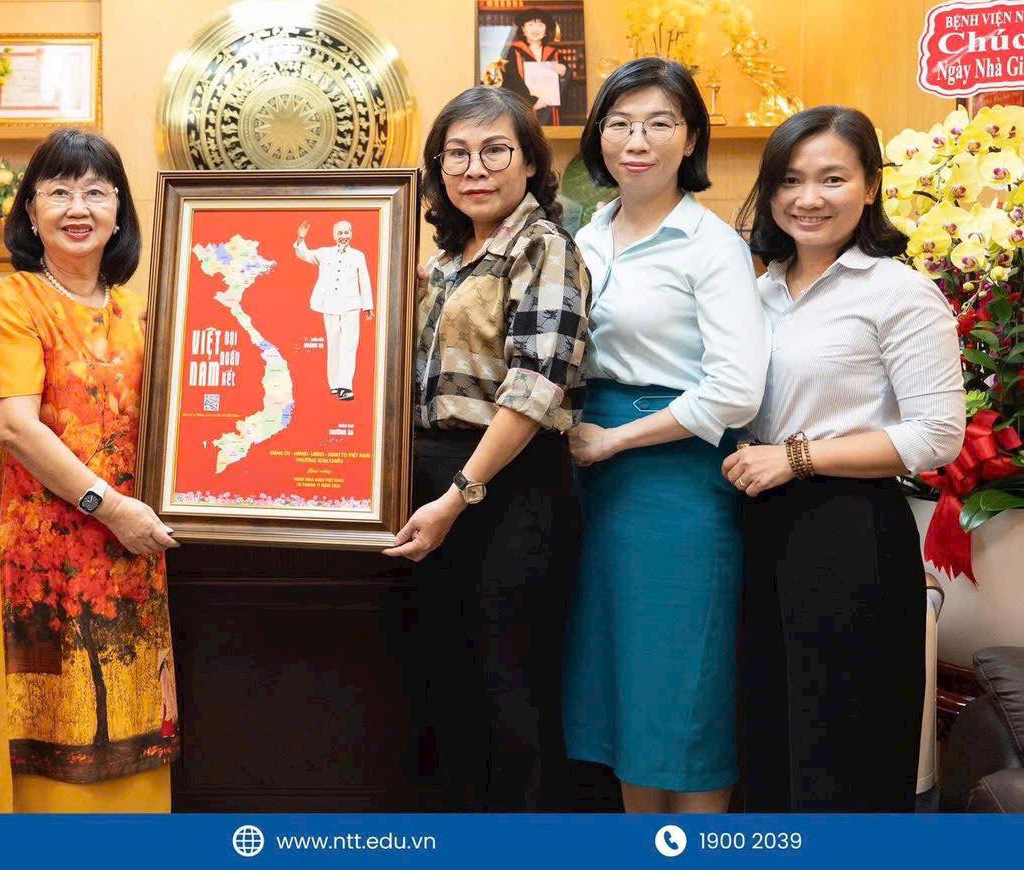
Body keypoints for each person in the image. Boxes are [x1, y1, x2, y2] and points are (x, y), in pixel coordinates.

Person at [727, 106, 964, 811]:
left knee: (841, 745)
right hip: (754, 526)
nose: (809, 198)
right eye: (790, 180)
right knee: (766, 735)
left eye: (832, 178)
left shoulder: (898, 292)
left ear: (871, 186)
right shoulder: (756, 292)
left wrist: (796, 458)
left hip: (849, 531)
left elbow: (937, 434)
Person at [563, 56, 769, 814]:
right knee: (622, 684)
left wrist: (617, 440)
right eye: (619, 123)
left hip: (676, 480)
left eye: (658, 123)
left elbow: (737, 389)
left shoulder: (710, 245)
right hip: (590, 476)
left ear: (690, 138)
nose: (636, 141)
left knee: (681, 683)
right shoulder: (587, 234)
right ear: (598, 136)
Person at [387, 85, 592, 810]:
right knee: (449, 688)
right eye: (457, 154)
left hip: (509, 485)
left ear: (531, 162)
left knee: (513, 693)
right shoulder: (446, 260)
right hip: (435, 483)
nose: (474, 169)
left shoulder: (545, 247)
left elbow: (534, 389)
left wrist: (459, 496)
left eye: (495, 151)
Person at [0, 128, 180, 813]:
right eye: (58, 192)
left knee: (131, 723)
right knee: (53, 730)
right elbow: (13, 425)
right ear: (30, 212)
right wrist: (109, 507)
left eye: (95, 192)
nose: (78, 207)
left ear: (120, 211)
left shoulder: (143, 310)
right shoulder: (14, 300)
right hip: (44, 553)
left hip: (132, 547)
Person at [293, 218, 374, 399]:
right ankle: (335, 384)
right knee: (334, 344)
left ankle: (346, 386)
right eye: (340, 233)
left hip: (351, 306)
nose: (343, 236)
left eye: (346, 232)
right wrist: (301, 238)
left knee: (349, 345)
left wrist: (367, 305)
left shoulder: (358, 256)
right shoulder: (324, 253)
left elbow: (364, 280)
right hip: (330, 304)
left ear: (351, 234)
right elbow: (304, 254)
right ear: (334, 235)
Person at [483, 10, 569, 126]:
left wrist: (564, 72)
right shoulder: (512, 53)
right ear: (523, 29)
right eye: (530, 24)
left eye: (540, 25)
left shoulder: (555, 54)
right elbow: (510, 81)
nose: (535, 29)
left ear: (546, 30)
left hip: (549, 110)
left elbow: (568, 82)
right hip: (523, 108)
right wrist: (532, 101)